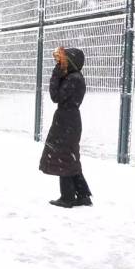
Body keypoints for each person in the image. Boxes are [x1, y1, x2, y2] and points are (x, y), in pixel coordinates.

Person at [39, 46, 92, 208]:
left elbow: (56, 96)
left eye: (62, 61)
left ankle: (67, 197)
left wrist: (56, 74)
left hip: (66, 120)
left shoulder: (73, 78)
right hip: (69, 119)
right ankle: (83, 194)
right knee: (70, 157)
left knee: (64, 157)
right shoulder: (75, 77)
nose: (59, 63)